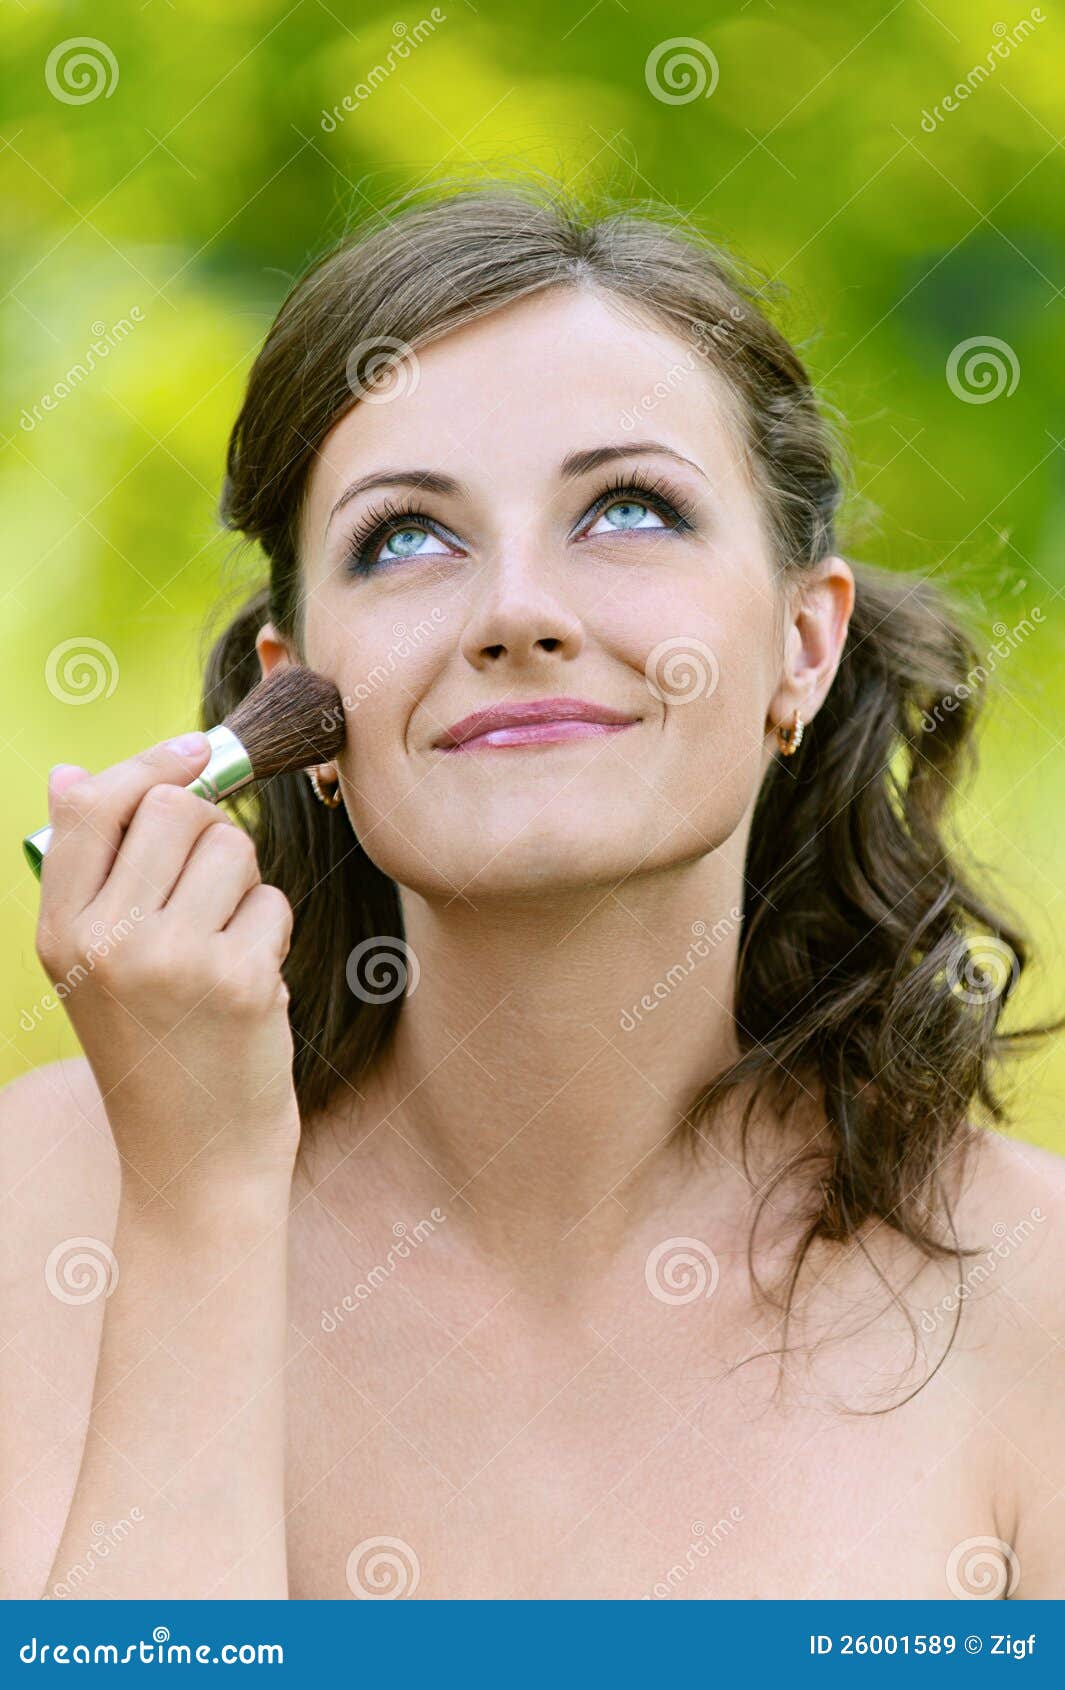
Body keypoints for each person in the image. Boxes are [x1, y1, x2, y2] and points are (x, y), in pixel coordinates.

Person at [5, 181, 1064, 1601]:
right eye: (406, 538)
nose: (515, 609)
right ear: (298, 703)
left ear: (803, 647)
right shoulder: (39, 1212)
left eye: (627, 508)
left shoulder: (1029, 1288)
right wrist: (196, 1200)